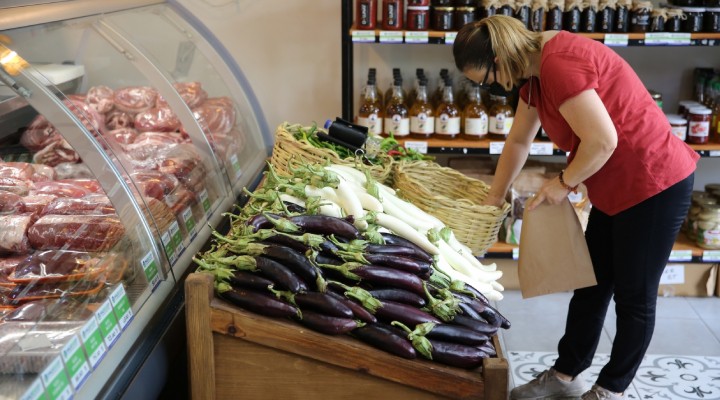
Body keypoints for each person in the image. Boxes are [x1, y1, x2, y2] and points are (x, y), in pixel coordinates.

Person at [453, 15, 699, 400]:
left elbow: (602, 141)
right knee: (590, 286)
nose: (490, 88)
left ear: (498, 59)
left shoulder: (558, 63)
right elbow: (518, 142)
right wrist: (493, 198)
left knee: (634, 297)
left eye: (485, 80)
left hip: (654, 182)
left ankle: (611, 389)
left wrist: (563, 183)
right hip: (613, 185)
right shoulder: (533, 76)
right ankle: (566, 375)